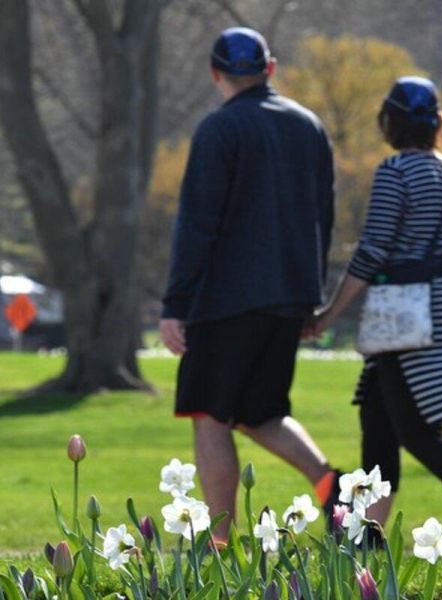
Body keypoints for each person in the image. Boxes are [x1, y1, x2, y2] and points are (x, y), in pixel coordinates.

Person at [309, 76, 442, 533]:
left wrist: (328, 313)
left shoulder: (395, 172)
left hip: (404, 312)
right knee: (377, 415)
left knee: (417, 431)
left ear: (389, 122)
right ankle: (364, 536)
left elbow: (373, 251)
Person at [159, 27, 341, 540]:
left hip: (227, 300)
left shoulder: (220, 130)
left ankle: (218, 545)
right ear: (271, 69)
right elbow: (322, 218)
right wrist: (311, 294)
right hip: (289, 294)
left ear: (216, 73)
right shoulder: (309, 126)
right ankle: (332, 484)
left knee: (210, 414)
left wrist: (176, 303)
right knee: (260, 412)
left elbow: (198, 223)